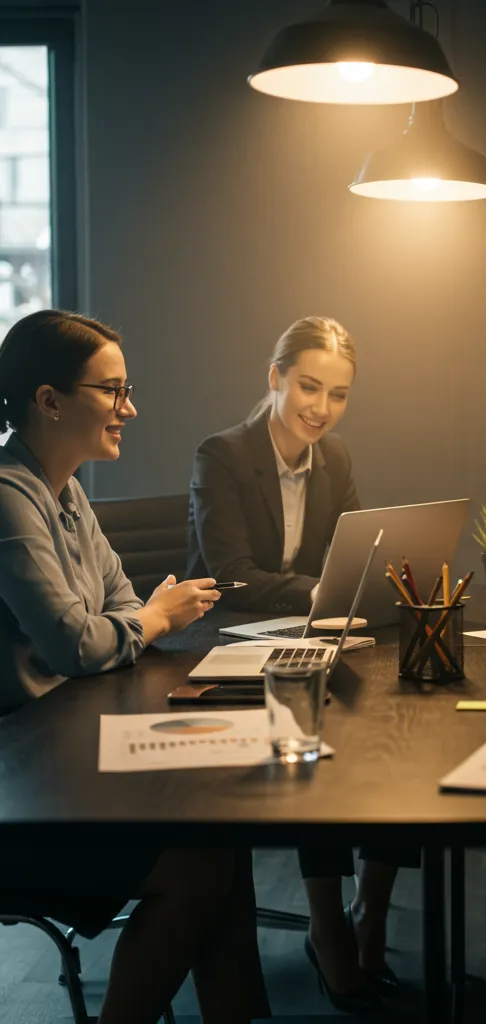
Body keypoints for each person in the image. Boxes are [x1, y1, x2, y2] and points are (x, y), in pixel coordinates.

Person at [0, 309, 269, 1023]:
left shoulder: (64, 490)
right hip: (18, 798)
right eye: (114, 390)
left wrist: (136, 620)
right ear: (49, 400)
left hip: (58, 767)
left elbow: (115, 604)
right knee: (202, 863)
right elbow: (78, 644)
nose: (131, 408)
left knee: (220, 839)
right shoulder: (6, 497)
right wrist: (148, 620)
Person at [187, 316, 416, 1009]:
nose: (321, 407)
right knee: (314, 740)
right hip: (224, 644)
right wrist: (321, 592)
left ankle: (369, 912)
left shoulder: (336, 459)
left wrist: (357, 587)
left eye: (338, 394)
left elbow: (350, 556)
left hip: (309, 636)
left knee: (396, 735)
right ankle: (328, 927)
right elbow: (229, 574)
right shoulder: (221, 455)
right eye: (309, 387)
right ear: (275, 377)